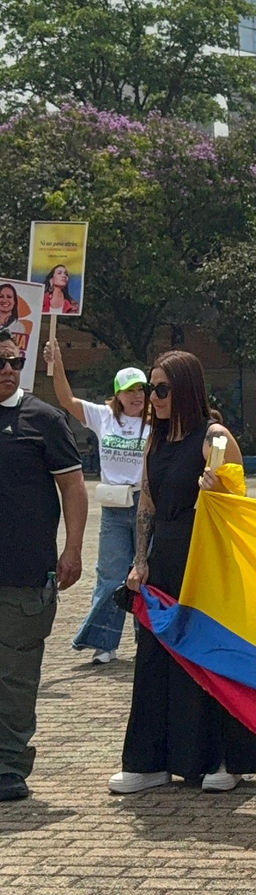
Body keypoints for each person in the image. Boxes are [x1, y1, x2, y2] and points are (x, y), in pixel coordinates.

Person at [110, 350, 256, 795]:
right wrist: (139, 561)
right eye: (149, 389)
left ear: (185, 390)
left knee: (206, 655)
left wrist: (221, 491)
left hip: (208, 560)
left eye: (160, 389)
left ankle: (225, 758)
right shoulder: (154, 442)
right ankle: (151, 760)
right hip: (165, 560)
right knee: (155, 656)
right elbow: (147, 505)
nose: (152, 398)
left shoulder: (213, 436)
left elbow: (240, 507)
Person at [0, 332, 87, 802]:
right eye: (0, 363)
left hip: (24, 573)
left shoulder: (42, 418)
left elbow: (73, 488)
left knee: (14, 675)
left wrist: (72, 549)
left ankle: (8, 765)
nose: (9, 369)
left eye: (14, 361)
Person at [44, 339, 149, 663]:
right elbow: (65, 399)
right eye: (130, 390)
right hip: (115, 511)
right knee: (111, 577)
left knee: (146, 578)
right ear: (117, 393)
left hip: (146, 508)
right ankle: (105, 644)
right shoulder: (104, 417)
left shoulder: (156, 420)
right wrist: (58, 361)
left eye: (141, 390)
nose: (137, 396)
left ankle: (147, 643)